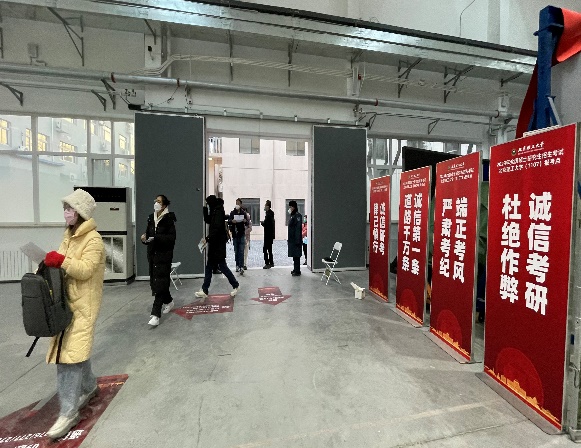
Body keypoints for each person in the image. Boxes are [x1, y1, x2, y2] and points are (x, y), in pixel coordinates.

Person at [43, 189, 105, 439]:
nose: (66, 213)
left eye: (70, 209)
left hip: (84, 304)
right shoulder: (69, 236)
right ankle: (90, 386)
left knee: (68, 358)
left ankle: (68, 413)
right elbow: (63, 261)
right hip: (66, 301)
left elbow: (86, 269)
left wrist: (62, 261)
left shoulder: (93, 240)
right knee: (75, 350)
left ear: (80, 212)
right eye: (65, 208)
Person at [141, 194, 176, 327]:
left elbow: (171, 239)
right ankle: (169, 302)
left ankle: (155, 314)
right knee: (158, 282)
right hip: (152, 254)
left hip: (164, 255)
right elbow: (148, 234)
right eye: (155, 200)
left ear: (164, 205)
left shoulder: (169, 219)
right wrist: (144, 239)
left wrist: (157, 238)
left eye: (159, 201)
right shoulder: (151, 217)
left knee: (160, 282)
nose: (156, 203)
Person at [196, 195, 239, 298]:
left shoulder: (218, 212)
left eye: (208, 203)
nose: (208, 205)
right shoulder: (215, 210)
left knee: (222, 267)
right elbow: (208, 220)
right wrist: (204, 209)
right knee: (210, 267)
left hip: (218, 245)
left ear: (212, 203)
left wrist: (207, 238)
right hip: (215, 244)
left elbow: (216, 228)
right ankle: (205, 289)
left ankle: (235, 285)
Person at [228, 198, 247, 275]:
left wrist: (245, 221)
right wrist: (232, 221)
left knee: (241, 251)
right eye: (236, 203)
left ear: (241, 204)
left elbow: (247, 222)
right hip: (235, 234)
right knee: (236, 251)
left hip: (241, 233)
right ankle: (237, 265)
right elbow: (229, 221)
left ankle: (241, 266)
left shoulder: (243, 213)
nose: (237, 205)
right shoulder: (232, 213)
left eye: (238, 203)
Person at [287, 200, 303, 276]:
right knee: (294, 255)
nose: (289, 208)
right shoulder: (292, 215)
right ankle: (295, 269)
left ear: (294, 207)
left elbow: (298, 229)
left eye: (290, 207)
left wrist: (297, 241)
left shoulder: (298, 216)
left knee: (297, 255)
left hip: (296, 240)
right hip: (292, 239)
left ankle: (297, 271)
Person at [260, 199, 275, 269]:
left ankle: (267, 263)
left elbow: (267, 224)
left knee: (265, 249)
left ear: (268, 206)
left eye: (265, 205)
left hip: (268, 235)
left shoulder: (268, 215)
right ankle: (271, 262)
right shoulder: (271, 214)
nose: (264, 207)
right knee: (270, 249)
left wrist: (263, 223)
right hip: (270, 235)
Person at [243, 205, 252, 270]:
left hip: (246, 237)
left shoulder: (248, 218)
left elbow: (250, 228)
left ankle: (244, 264)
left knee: (245, 251)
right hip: (241, 236)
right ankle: (240, 264)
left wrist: (245, 232)